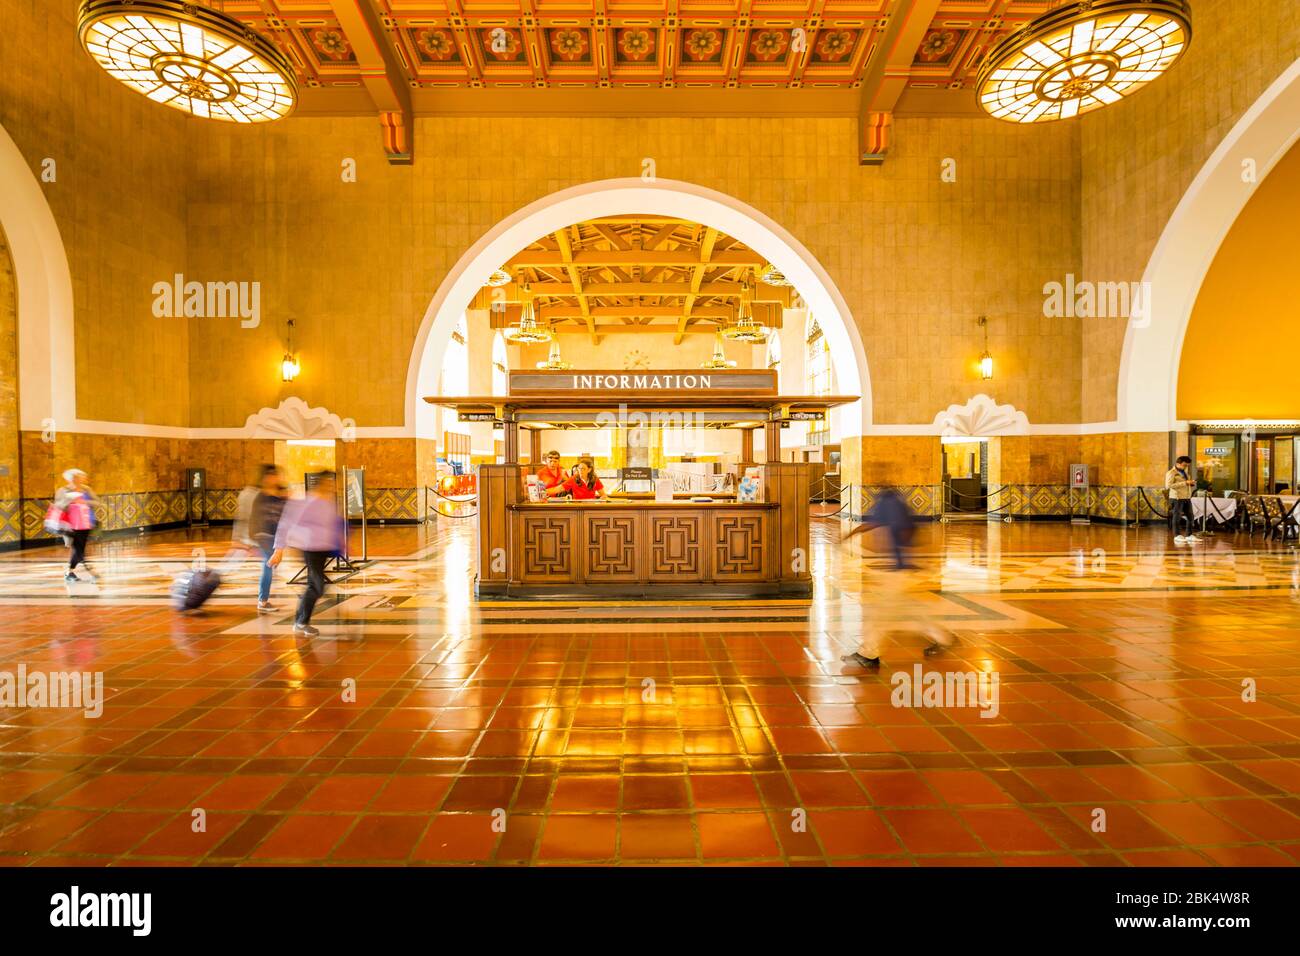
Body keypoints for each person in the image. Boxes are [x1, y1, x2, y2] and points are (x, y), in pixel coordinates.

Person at [841, 488, 955, 668]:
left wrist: (850, 535)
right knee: (911, 609)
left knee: (879, 613)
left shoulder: (889, 502)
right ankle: (943, 638)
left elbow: (889, 526)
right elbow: (903, 527)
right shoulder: (895, 501)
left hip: (899, 569)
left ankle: (868, 653)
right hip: (902, 568)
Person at [267, 471, 346, 636]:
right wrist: (279, 549)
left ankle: (301, 619)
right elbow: (286, 523)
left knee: (316, 584)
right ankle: (301, 622)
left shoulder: (328, 502)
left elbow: (331, 525)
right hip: (309, 549)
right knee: (316, 585)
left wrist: (340, 545)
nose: (331, 487)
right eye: (328, 483)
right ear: (321, 483)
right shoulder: (307, 502)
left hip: (322, 549)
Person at [250, 465, 288, 613]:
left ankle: (263, 599)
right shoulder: (260, 496)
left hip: (276, 536)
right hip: (263, 535)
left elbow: (286, 516)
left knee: (272, 564)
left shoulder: (281, 495)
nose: (273, 478)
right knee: (269, 564)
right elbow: (254, 517)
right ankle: (262, 601)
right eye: (270, 475)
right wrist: (252, 537)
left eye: (275, 475)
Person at [52, 469, 99, 582]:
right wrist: (70, 501)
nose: (79, 479)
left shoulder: (86, 489)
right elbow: (58, 506)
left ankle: (69, 572)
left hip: (86, 523)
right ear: (70, 479)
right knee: (78, 548)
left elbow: (97, 502)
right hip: (70, 525)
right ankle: (89, 569)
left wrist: (85, 502)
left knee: (80, 548)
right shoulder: (63, 491)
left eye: (80, 477)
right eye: (76, 477)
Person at [1165, 454, 1199, 544]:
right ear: (1178, 463)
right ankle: (1177, 535)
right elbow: (1168, 486)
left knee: (1191, 516)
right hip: (1176, 498)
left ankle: (1189, 535)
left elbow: (1185, 483)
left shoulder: (1185, 472)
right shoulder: (1171, 473)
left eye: (1187, 465)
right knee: (1177, 517)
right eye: (1184, 465)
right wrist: (1185, 483)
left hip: (1186, 497)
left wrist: (1190, 483)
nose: (1186, 467)